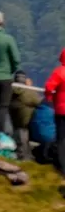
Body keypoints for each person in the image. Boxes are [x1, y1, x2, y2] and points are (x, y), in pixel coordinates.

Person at [0, 11, 21, 137]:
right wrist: (10, 70)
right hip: (5, 77)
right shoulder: (7, 39)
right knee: (2, 107)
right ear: (1, 22)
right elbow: (16, 59)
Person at [43, 48, 65, 177]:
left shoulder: (59, 72)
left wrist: (49, 98)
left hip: (61, 111)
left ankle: (62, 168)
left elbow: (49, 87)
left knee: (61, 139)